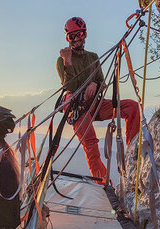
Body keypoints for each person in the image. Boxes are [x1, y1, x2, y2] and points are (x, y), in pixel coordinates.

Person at [56, 17, 140, 183]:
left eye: (79, 34)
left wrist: (95, 83)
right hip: (77, 108)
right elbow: (70, 86)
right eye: (71, 36)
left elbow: (102, 82)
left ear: (85, 34)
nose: (76, 38)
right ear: (67, 38)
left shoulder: (93, 57)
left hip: (95, 105)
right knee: (91, 144)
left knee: (132, 107)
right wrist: (68, 62)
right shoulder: (62, 59)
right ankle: (102, 184)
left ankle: (132, 154)